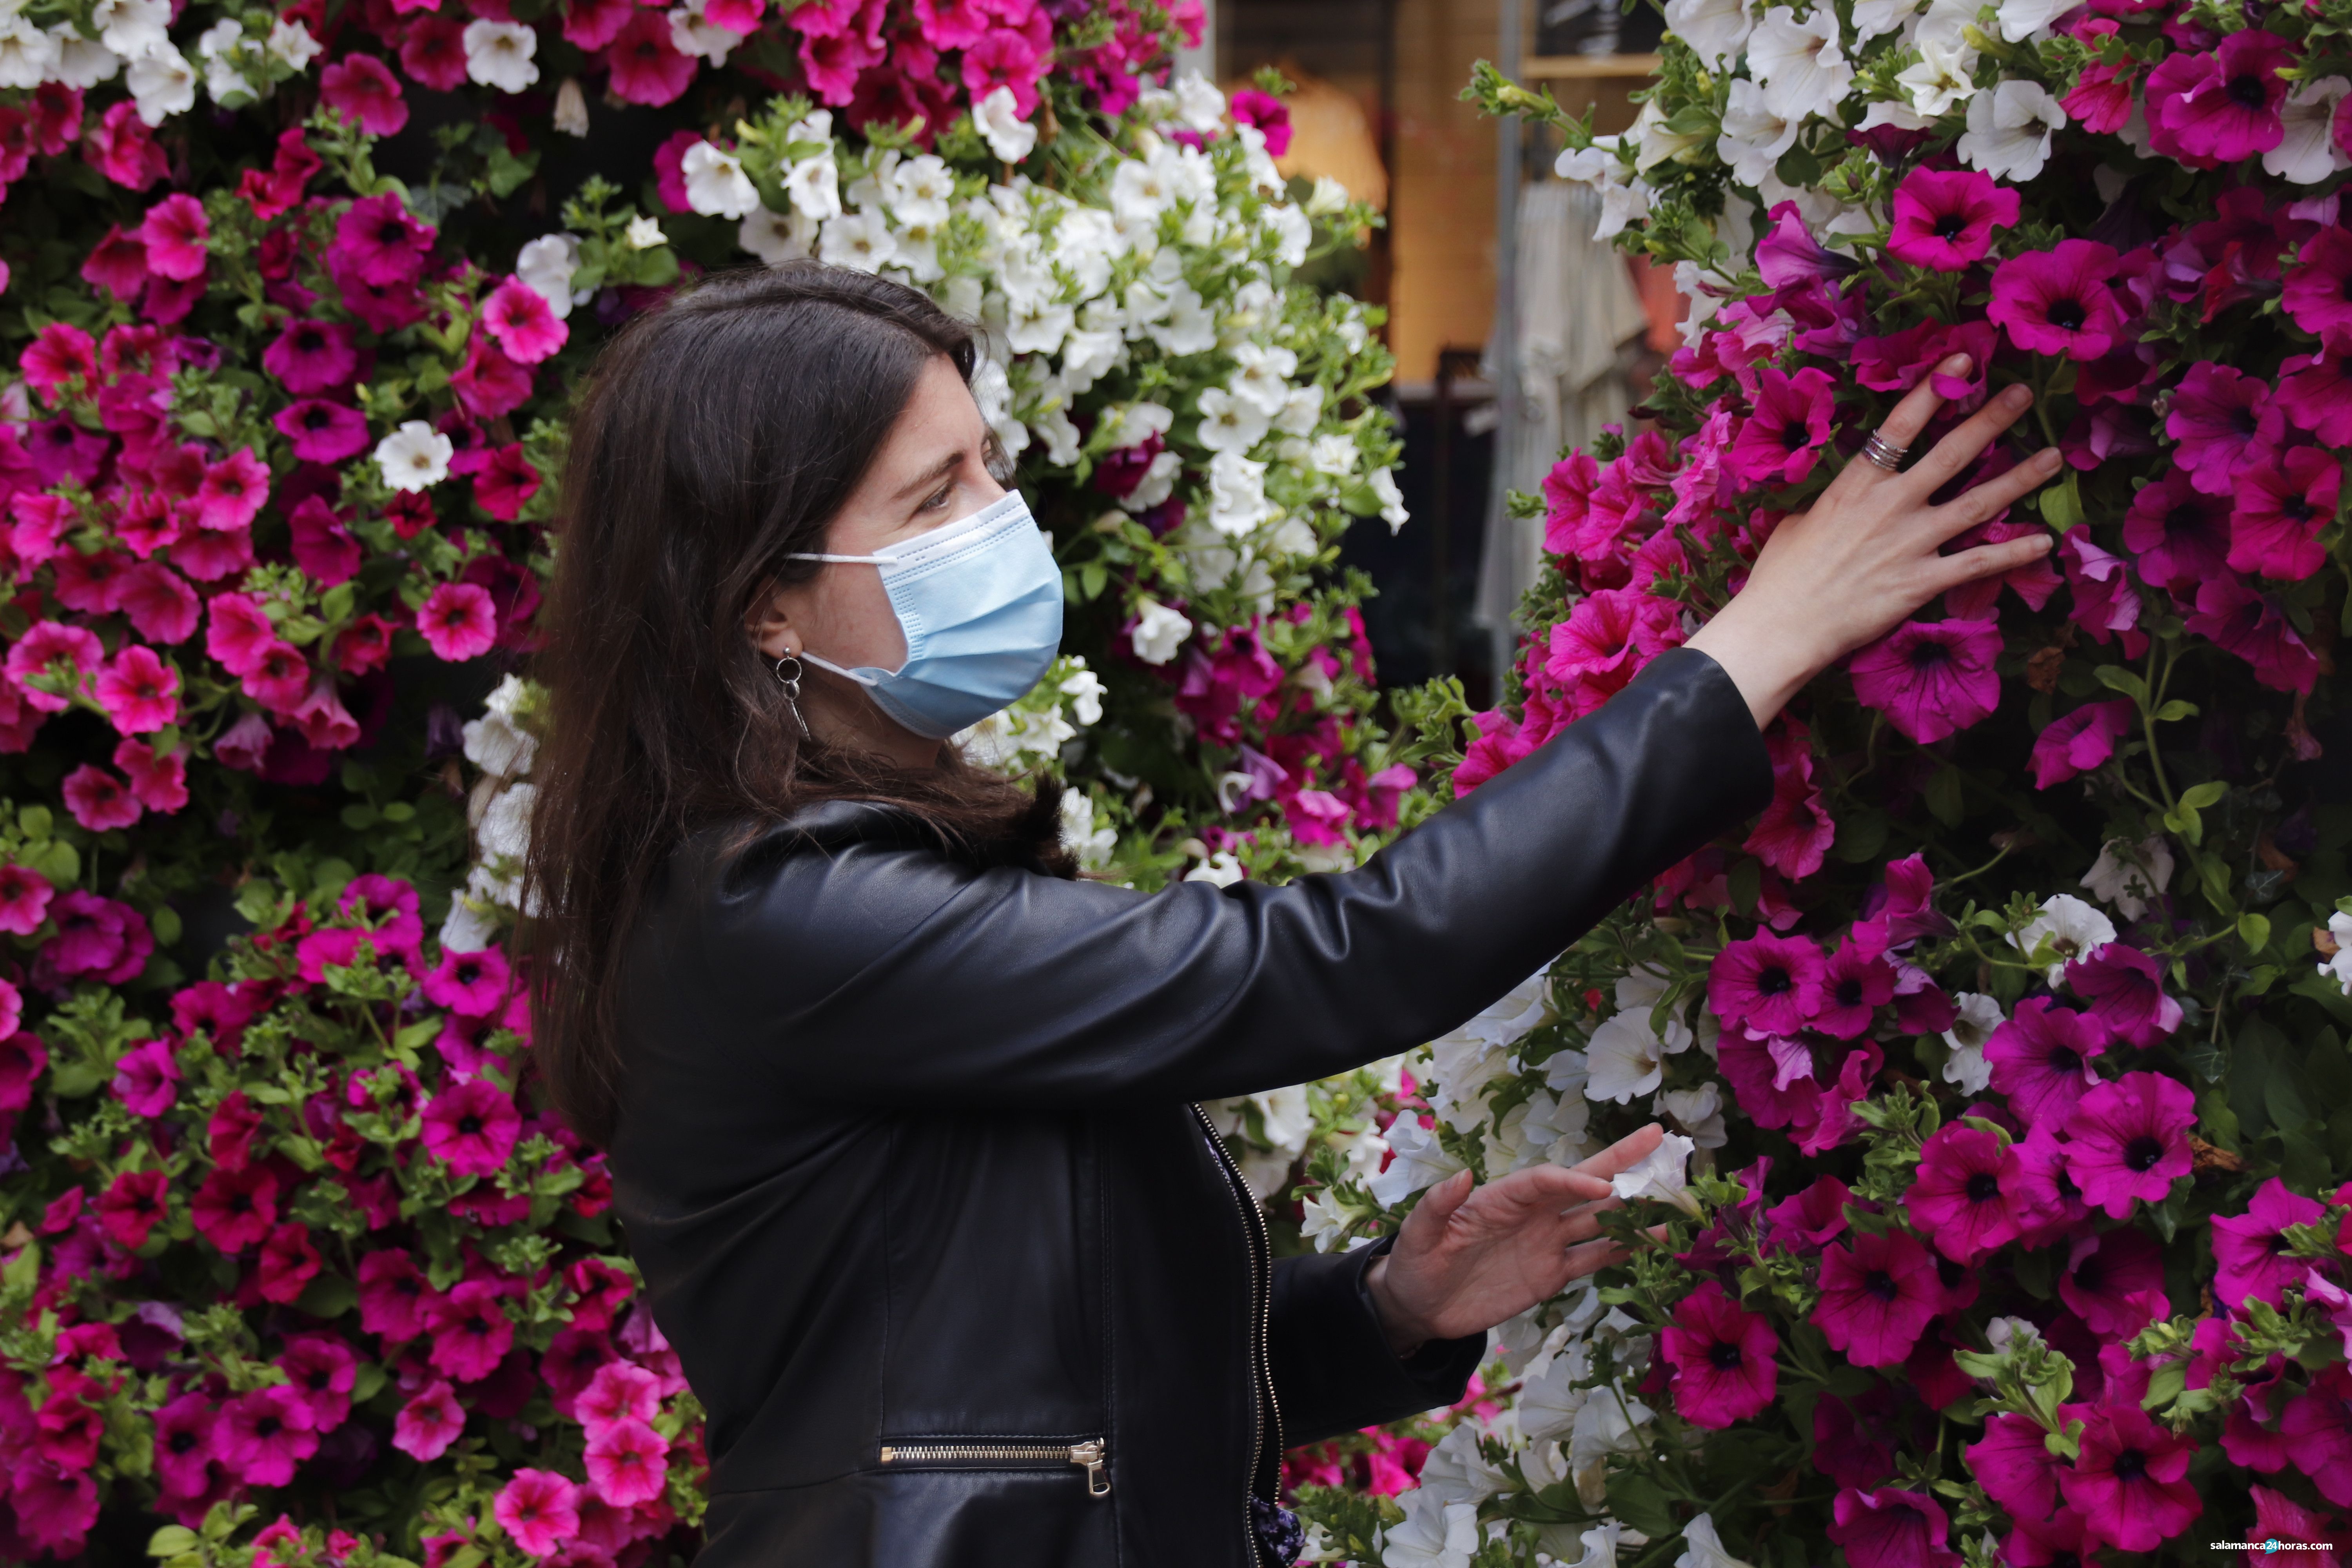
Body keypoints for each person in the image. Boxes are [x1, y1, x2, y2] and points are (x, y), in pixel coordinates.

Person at [524, 263, 2060, 1567]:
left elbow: (1030, 1387)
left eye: (988, 466)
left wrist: (1391, 1309)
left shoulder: (815, 880)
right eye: (936, 495)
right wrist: (1758, 644)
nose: (1002, 519)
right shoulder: (788, 912)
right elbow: (1335, 960)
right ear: (762, 603)